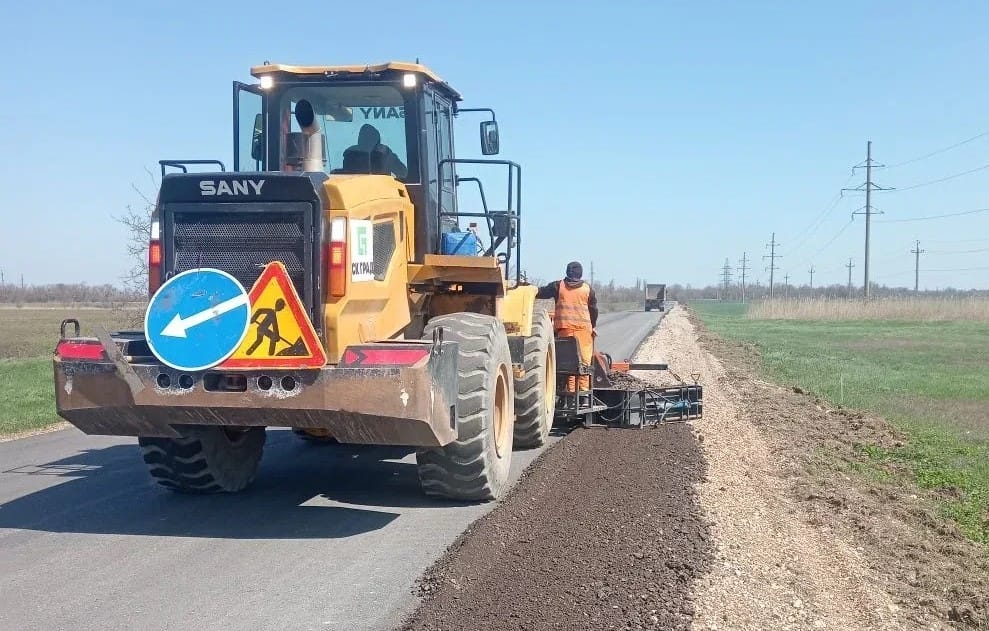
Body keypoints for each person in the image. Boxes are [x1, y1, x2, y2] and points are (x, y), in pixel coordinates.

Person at [536, 261, 598, 393]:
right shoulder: (587, 289)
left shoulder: (558, 286)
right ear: (580, 274)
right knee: (584, 364)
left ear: (567, 272)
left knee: (569, 364)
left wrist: (527, 289)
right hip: (584, 332)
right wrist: (593, 326)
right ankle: (584, 395)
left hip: (564, 331)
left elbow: (541, 292)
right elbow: (593, 310)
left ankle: (571, 394)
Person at [341, 123, 408, 179]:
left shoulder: (385, 153)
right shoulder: (351, 154)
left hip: (382, 188)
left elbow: (403, 174)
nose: (367, 142)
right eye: (364, 138)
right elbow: (346, 177)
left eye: (369, 139)